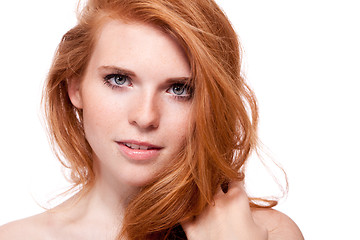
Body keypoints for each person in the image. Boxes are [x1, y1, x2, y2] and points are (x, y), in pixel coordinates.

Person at [0, 0, 303, 239]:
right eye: (119, 80)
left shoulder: (266, 234)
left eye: (179, 89)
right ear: (75, 87)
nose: (145, 117)